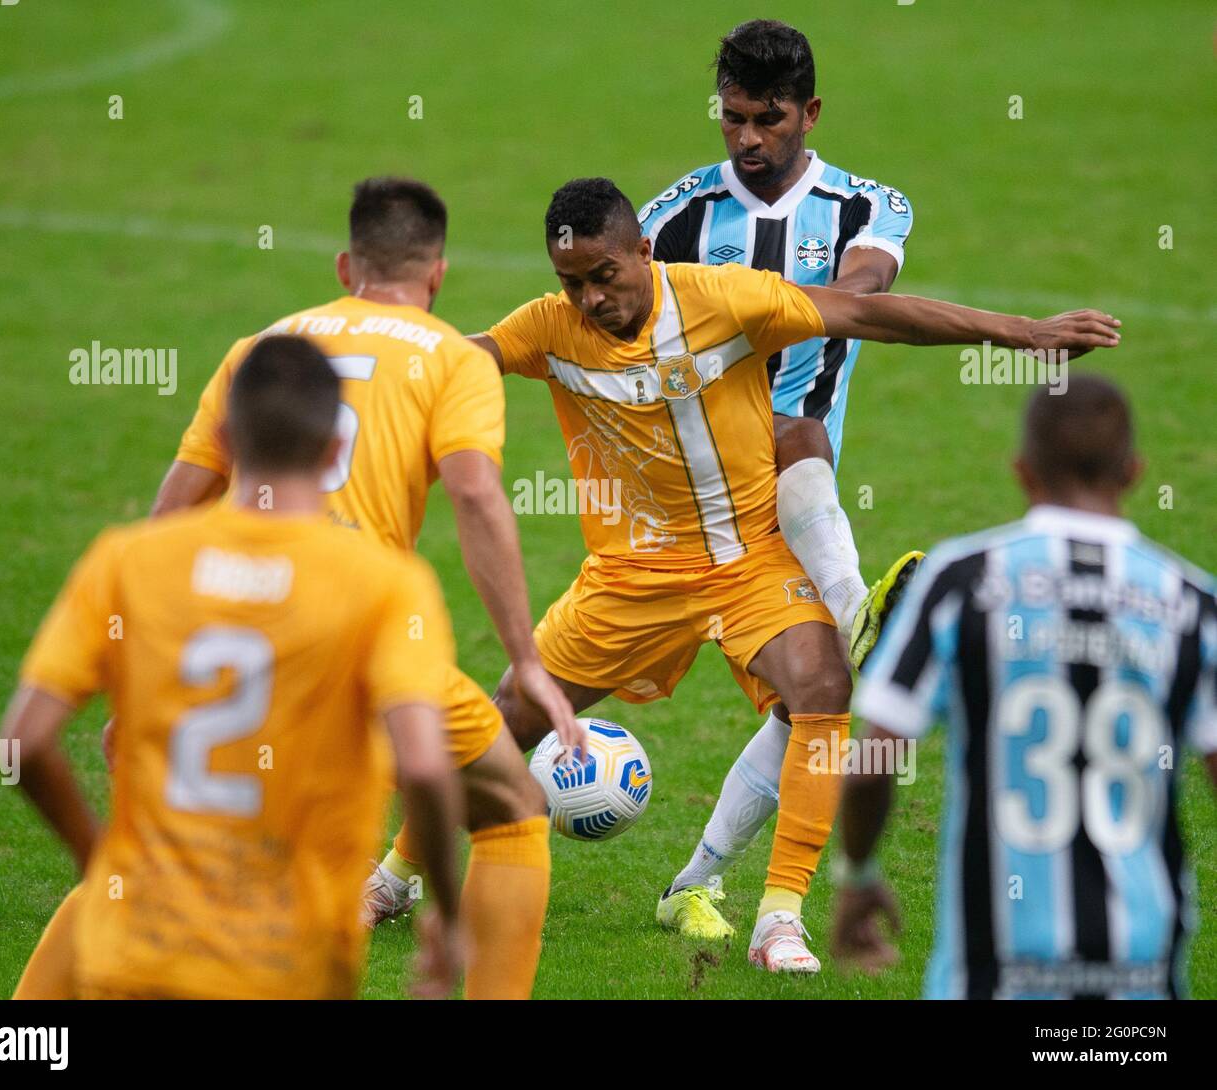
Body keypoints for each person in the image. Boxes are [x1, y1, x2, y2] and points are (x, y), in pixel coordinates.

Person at [472, 176, 1119, 973]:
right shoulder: (548, 327)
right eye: (573, 283)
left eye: (605, 275)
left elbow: (872, 314)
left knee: (822, 685)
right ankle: (394, 879)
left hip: (747, 561)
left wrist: (1025, 333)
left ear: (645, 251)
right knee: (506, 721)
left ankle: (779, 918)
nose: (591, 298)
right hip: (631, 574)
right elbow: (453, 362)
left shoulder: (725, 299)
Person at [13, 176, 575, 1001]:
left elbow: (172, 509)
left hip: (208, 647)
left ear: (346, 264)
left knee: (153, 844)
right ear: (439, 273)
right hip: (355, 638)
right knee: (512, 807)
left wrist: (139, 676)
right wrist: (524, 658)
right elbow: (476, 493)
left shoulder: (261, 349)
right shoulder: (453, 360)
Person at [0, 335, 464, 999]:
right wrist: (445, 909)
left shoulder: (127, 561)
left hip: (136, 952)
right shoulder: (385, 585)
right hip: (285, 965)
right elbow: (422, 764)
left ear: (221, 440)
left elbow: (24, 740)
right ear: (335, 452)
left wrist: (95, 855)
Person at [639, 18, 923, 939]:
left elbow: (863, 290)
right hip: (688, 500)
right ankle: (399, 873)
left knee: (824, 687)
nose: (748, 139)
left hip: (794, 494)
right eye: (732, 119)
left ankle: (709, 888)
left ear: (809, 112)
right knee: (546, 692)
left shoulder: (865, 206)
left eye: (766, 119)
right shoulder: (675, 217)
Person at [835, 374, 1217, 999]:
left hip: (993, 971)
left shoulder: (962, 580)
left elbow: (875, 763)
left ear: (1022, 470)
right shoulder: (1193, 603)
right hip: (1143, 972)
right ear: (1135, 472)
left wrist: (859, 873)